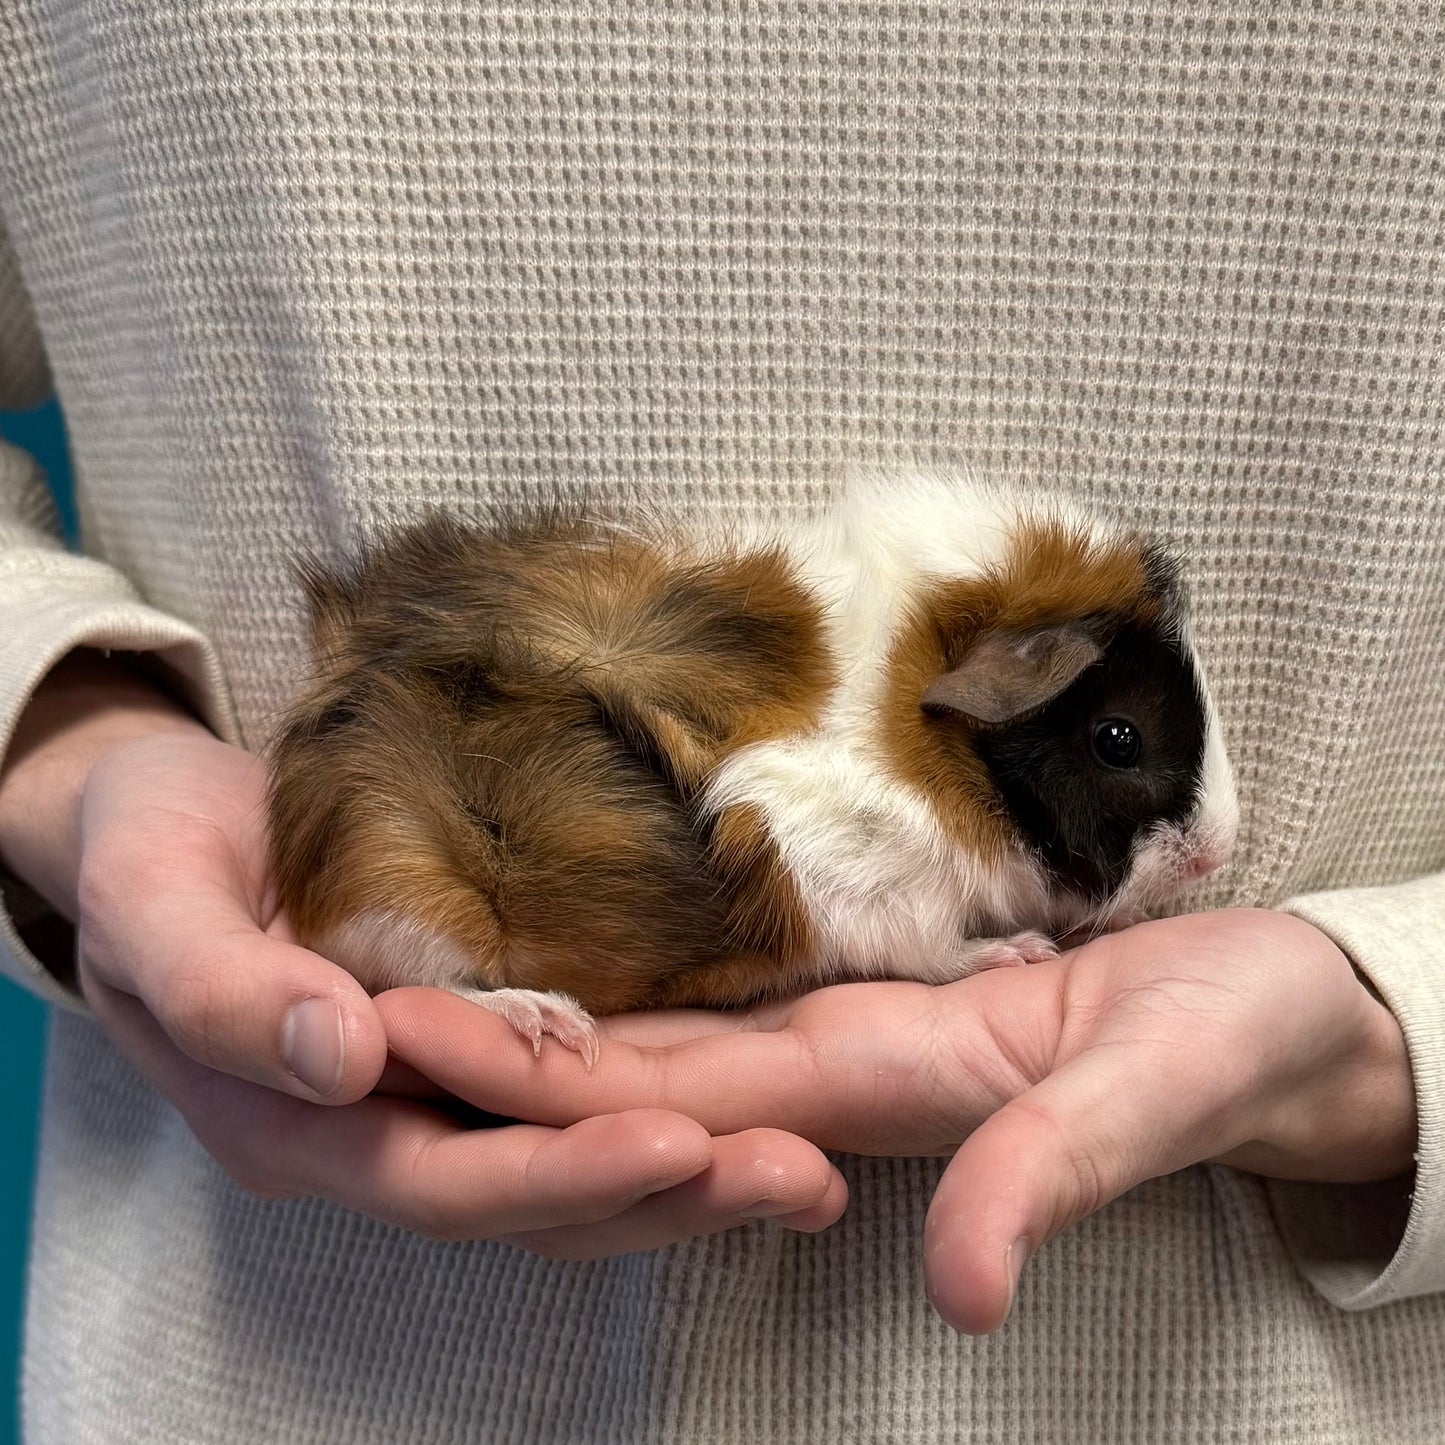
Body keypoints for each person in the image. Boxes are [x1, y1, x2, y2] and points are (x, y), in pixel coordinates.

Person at [0, 4, 1441, 1440]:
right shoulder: (857, 786)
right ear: (978, 696)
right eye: (1120, 751)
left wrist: (1396, 1021)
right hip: (264, 1359)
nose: (1191, 831)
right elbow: (819, 887)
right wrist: (66, 729)